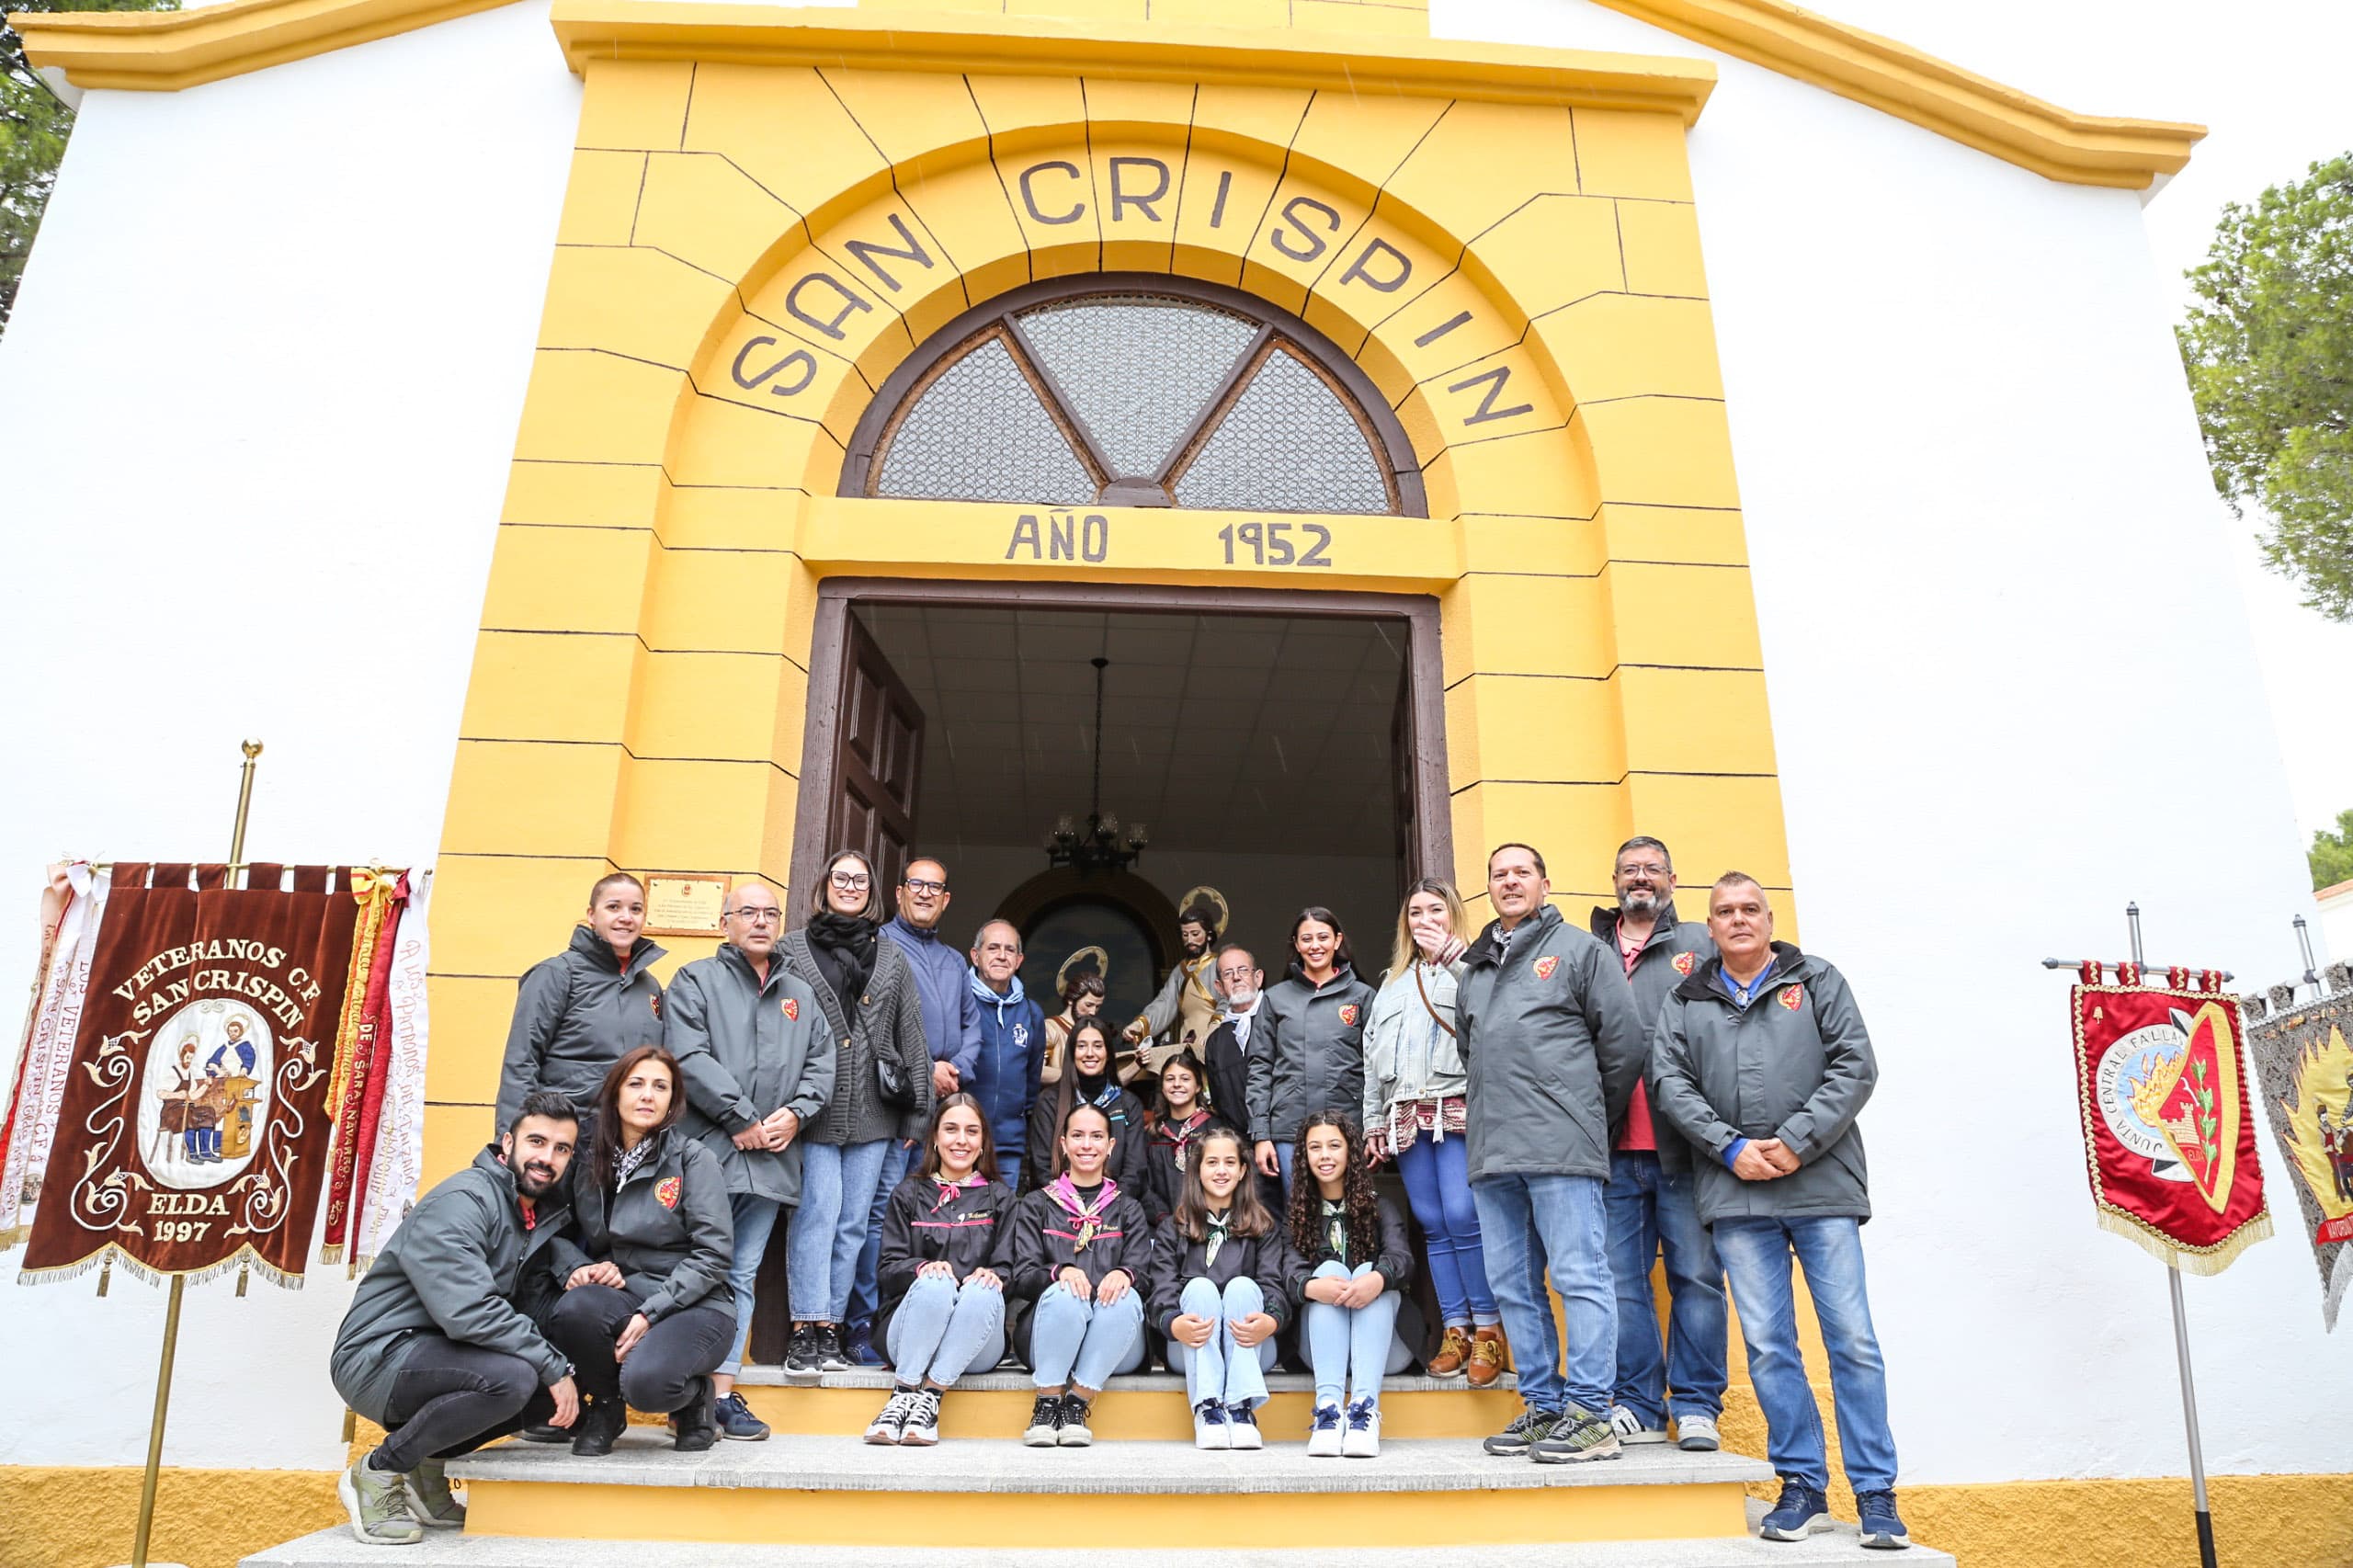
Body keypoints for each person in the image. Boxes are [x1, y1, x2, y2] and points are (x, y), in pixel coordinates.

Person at [1649, 873, 1910, 1551]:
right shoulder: (1687, 997)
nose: (1737, 920)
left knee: (1851, 1340)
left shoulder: (1817, 980)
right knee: (1769, 1347)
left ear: (1769, 918)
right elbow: (1669, 1084)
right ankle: (1802, 1486)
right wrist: (1728, 1146)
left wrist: (1796, 1142)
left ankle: (1877, 1496)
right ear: (1708, 926)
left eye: (1749, 909)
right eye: (1724, 912)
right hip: (1736, 1194)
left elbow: (1856, 1066)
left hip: (1821, 1186)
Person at [1458, 843, 1645, 1465]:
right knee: (1512, 1285)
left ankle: (1590, 1414)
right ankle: (1542, 1407)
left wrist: (1587, 1114)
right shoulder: (1475, 969)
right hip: (1493, 1150)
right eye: (1499, 874)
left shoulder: (1581, 952)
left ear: (1544, 883)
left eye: (1521, 872)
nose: (1509, 881)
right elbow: (1471, 1053)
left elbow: (1622, 1046)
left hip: (1563, 1145)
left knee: (1579, 1278)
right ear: (1488, 889)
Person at [327, 1091, 583, 1545]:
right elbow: (469, 1312)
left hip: (438, 1351)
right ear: (508, 1144)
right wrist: (552, 1364)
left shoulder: (532, 1215)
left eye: (561, 1149)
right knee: (515, 1379)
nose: (547, 1158)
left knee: (542, 1395)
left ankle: (427, 1472)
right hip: (379, 1355)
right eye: (537, 1142)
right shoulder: (464, 1200)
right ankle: (378, 1471)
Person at [665, 879, 835, 1440]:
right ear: (725, 922)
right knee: (694, 1270)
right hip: (709, 1153)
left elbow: (821, 1061)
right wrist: (741, 1119)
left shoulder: (799, 991)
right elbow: (687, 1056)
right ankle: (675, 1389)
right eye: (748, 912)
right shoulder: (696, 980)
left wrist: (795, 1115)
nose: (761, 922)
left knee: (741, 1273)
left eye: (770, 912)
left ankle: (720, 1394)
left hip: (771, 1162)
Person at [1590, 836, 1727, 1454]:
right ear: (1613, 879)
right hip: (1614, 1148)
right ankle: (1639, 1403)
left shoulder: (1700, 944)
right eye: (1629, 870)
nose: (1640, 878)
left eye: (1651, 869)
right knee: (1623, 1280)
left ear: (1672, 877)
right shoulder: (1589, 949)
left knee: (1696, 1275)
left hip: (1686, 1147)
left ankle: (1696, 1404)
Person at [779, 848, 933, 1381]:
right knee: (816, 1216)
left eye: (860, 880)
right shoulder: (790, 951)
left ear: (872, 892)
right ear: (824, 886)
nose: (850, 886)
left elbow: (911, 1034)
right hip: (813, 1113)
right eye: (841, 878)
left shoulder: (891, 956)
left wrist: (918, 1116)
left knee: (852, 1226)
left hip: (874, 1116)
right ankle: (806, 1327)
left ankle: (837, 1327)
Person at [546, 1047, 736, 1456]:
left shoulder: (692, 1159)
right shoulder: (586, 1158)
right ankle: (606, 1408)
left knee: (648, 1386)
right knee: (574, 1310)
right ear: (615, 1093)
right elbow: (552, 1230)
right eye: (636, 1084)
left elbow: (714, 1254)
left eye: (660, 1086)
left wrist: (651, 1314)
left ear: (673, 1100)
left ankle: (692, 1399)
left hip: (696, 1303)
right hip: (626, 1289)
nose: (647, 1095)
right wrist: (579, 1268)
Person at [1363, 877, 1503, 1385]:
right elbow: (1370, 1058)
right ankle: (1456, 1329)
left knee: (1464, 1215)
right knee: (1431, 1221)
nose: (1425, 920)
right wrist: (1373, 1122)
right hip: (1405, 1110)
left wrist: (1456, 959)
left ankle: (1489, 1329)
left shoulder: (1474, 967)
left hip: (1456, 1106)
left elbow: (1494, 1018)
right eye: (1416, 912)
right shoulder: (1391, 982)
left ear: (1452, 915)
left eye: (1435, 910)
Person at [852, 858, 983, 1365]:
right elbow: (869, 1026)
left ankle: (926, 1320)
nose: (926, 894)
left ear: (946, 899)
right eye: (917, 885)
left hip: (942, 1108)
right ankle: (869, 1321)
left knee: (937, 1218)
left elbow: (973, 1026)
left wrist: (956, 1067)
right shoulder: (877, 947)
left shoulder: (954, 962)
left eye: (936, 888)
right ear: (899, 891)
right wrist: (924, 1066)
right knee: (882, 1217)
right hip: (894, 1107)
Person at [866, 1093, 1020, 1446]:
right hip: (909, 1336)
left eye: (971, 1131)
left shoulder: (1001, 1198)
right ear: (935, 1137)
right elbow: (887, 1269)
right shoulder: (908, 1193)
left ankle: (930, 1399)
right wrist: (922, 1268)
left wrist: (996, 1276)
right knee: (935, 1281)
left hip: (975, 1340)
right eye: (951, 1129)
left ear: (983, 1143)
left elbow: (1014, 1270)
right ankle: (903, 1396)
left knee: (982, 1289)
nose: (961, 1140)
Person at [999, 1101, 1152, 1448]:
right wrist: (1059, 1272)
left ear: (1111, 1147)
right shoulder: (1037, 1204)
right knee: (1064, 1291)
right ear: (1063, 1144)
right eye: (1078, 1136)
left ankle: (1076, 1404)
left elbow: (1146, 1273)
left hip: (1113, 1344)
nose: (1087, 1145)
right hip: (1047, 1338)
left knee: (1124, 1296)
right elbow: (1021, 1275)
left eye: (1097, 1136)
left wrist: (1127, 1275)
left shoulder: (1128, 1207)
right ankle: (1048, 1400)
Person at [1147, 1124, 1291, 1449]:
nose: (1221, 1171)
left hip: (1251, 1345)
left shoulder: (1263, 1226)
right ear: (1197, 1170)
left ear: (1243, 1171)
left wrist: (1272, 1319)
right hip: (1188, 1344)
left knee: (1242, 1286)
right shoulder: (1175, 1227)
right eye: (1212, 1162)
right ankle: (1208, 1407)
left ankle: (1241, 1409)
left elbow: (1272, 1283)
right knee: (1199, 1288)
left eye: (1229, 1162)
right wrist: (1172, 1321)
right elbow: (1162, 1287)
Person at [495, 871, 665, 1139]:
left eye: (636, 909)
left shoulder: (650, 987)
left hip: (626, 1139)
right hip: (563, 1135)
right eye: (613, 907)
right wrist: (512, 1139)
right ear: (592, 915)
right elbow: (522, 1061)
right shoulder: (556, 974)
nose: (626, 917)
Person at [1286, 1110, 1415, 1459]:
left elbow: (1402, 1259)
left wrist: (1376, 1279)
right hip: (1321, 1352)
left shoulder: (1380, 1207)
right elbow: (1286, 1271)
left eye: (1334, 1145)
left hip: (1384, 1352)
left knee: (1368, 1273)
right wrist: (1313, 1287)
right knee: (1328, 1269)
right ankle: (1328, 1410)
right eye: (1315, 1147)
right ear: (1303, 1156)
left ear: (1350, 1152)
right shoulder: (1296, 1215)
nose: (1325, 1155)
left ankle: (1364, 1410)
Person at [1248, 907, 1375, 1192]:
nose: (1315, 946)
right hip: (1288, 1128)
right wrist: (1261, 1135)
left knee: (1349, 1214)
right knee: (1299, 1217)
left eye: (1323, 937)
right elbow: (1259, 1068)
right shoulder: (1275, 999)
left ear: (1338, 940)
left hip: (1349, 1126)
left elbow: (1377, 1068)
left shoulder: (1363, 996)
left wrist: (1374, 1129)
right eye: (1306, 939)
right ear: (1296, 944)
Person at [1025, 1017, 1148, 1195]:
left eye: (1098, 1046)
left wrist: (1108, 1206)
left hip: (1115, 1211)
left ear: (1108, 1052)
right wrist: (1072, 1206)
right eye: (1082, 1046)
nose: (1090, 1053)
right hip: (1059, 1210)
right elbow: (1041, 1167)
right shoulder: (1049, 1102)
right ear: (1072, 1052)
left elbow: (1134, 1171)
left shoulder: (1128, 1104)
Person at [965, 919, 1045, 1190]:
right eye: (994, 948)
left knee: (1002, 1224)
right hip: (961, 1141)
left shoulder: (1031, 1012)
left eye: (1009, 950)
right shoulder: (959, 1001)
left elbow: (1032, 1077)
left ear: (1019, 959)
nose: (1001, 955)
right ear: (976, 956)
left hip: (1009, 1144)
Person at [1123, 890, 1228, 1080]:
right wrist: (1140, 1024)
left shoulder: (1220, 965)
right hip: (1186, 1041)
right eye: (1185, 935)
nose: (1190, 941)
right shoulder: (1180, 971)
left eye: (1195, 934)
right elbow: (1164, 1003)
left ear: (1209, 935)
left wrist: (1215, 1028)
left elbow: (1228, 1000)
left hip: (1213, 1041)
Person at [1139, 1050, 1226, 1224]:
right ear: (1162, 1087)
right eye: (1170, 1079)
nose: (1177, 1084)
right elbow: (1144, 1186)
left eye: (1185, 1079)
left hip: (1210, 1225)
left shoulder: (1216, 1130)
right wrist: (1164, 1220)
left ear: (1198, 1086)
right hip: (1164, 1229)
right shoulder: (1153, 1134)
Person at [1200, 945, 1264, 1142]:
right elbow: (1220, 1102)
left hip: (1286, 1139)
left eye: (1243, 970)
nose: (1236, 977)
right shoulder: (1215, 1042)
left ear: (1258, 977)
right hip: (1241, 1147)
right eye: (1228, 974)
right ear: (1219, 987)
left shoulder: (1280, 1021)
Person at [1040, 961, 1108, 1089]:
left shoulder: (1093, 1031)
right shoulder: (1050, 1028)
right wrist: (1078, 1077)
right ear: (1071, 1000)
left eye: (1097, 1007)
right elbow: (1038, 1071)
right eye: (1088, 1005)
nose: (1093, 1012)